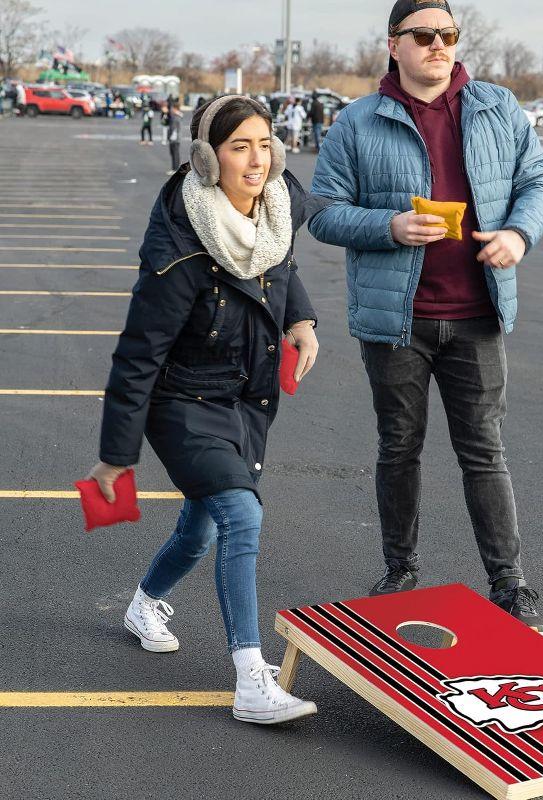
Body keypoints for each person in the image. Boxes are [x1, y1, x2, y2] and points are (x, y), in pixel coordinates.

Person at [309, 0, 543, 629]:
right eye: (423, 36)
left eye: (447, 34)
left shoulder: (498, 108)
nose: (438, 46)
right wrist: (388, 225)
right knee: (399, 448)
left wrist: (519, 236)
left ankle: (509, 583)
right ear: (394, 45)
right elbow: (324, 212)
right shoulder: (358, 122)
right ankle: (401, 570)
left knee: (485, 452)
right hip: (398, 322)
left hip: (478, 315)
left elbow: (538, 184)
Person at [85, 95, 328, 724]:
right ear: (205, 157)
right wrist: (116, 456)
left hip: (244, 402)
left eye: (264, 143)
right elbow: (138, 353)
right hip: (182, 402)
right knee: (241, 516)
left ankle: (144, 603)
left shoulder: (273, 212)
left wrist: (300, 318)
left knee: (203, 528)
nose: (255, 158)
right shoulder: (179, 247)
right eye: (237, 146)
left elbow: (278, 263)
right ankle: (251, 677)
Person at [166, 105, 184, 175]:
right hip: (176, 138)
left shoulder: (175, 117)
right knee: (175, 154)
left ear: (175, 109)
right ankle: (175, 168)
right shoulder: (178, 116)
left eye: (172, 108)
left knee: (174, 154)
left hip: (174, 138)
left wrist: (169, 137)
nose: (171, 110)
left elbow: (173, 128)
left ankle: (175, 169)